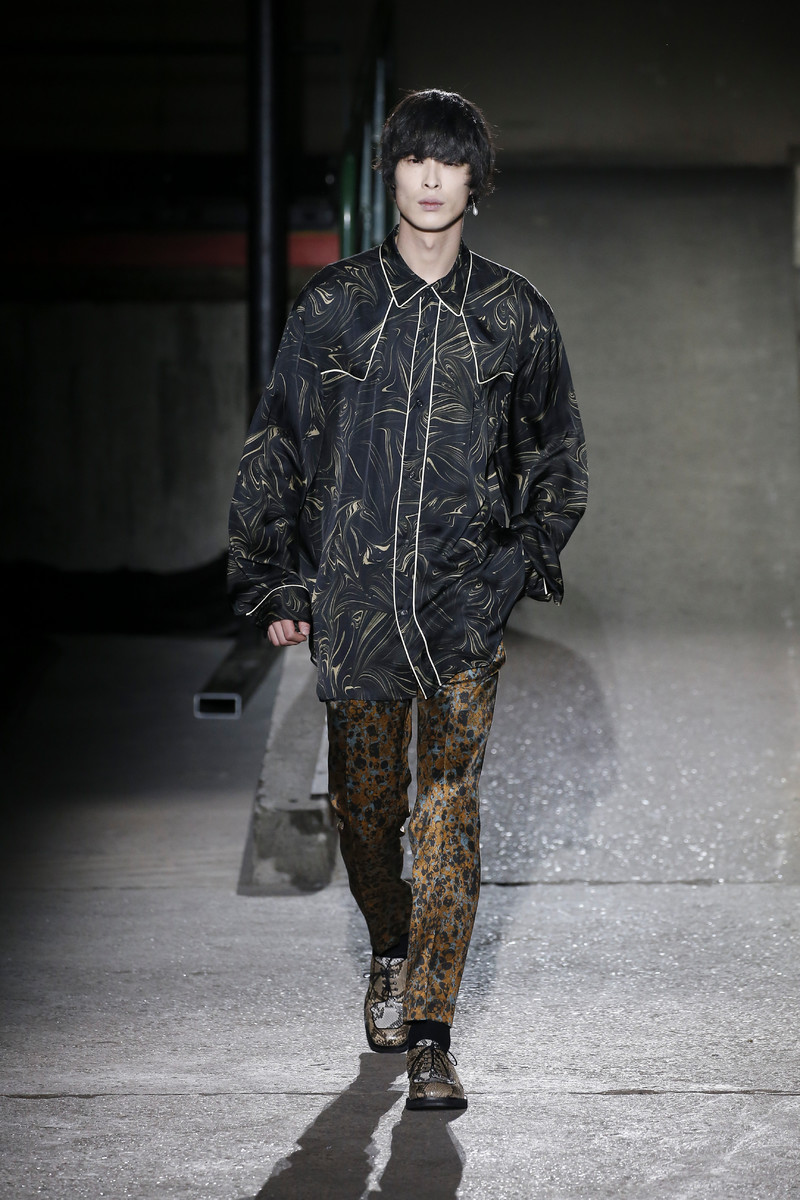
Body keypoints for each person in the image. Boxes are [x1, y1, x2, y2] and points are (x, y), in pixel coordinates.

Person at [228, 88, 587, 1110]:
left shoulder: (513, 313)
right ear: (389, 175)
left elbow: (558, 458)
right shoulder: (336, 306)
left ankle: (432, 1032)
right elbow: (278, 440)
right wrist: (273, 577)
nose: (431, 178)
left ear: (476, 180)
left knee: (447, 814)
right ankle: (390, 945)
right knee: (366, 812)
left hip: (462, 610)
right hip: (354, 610)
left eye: (450, 162)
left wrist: (516, 565)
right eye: (414, 160)